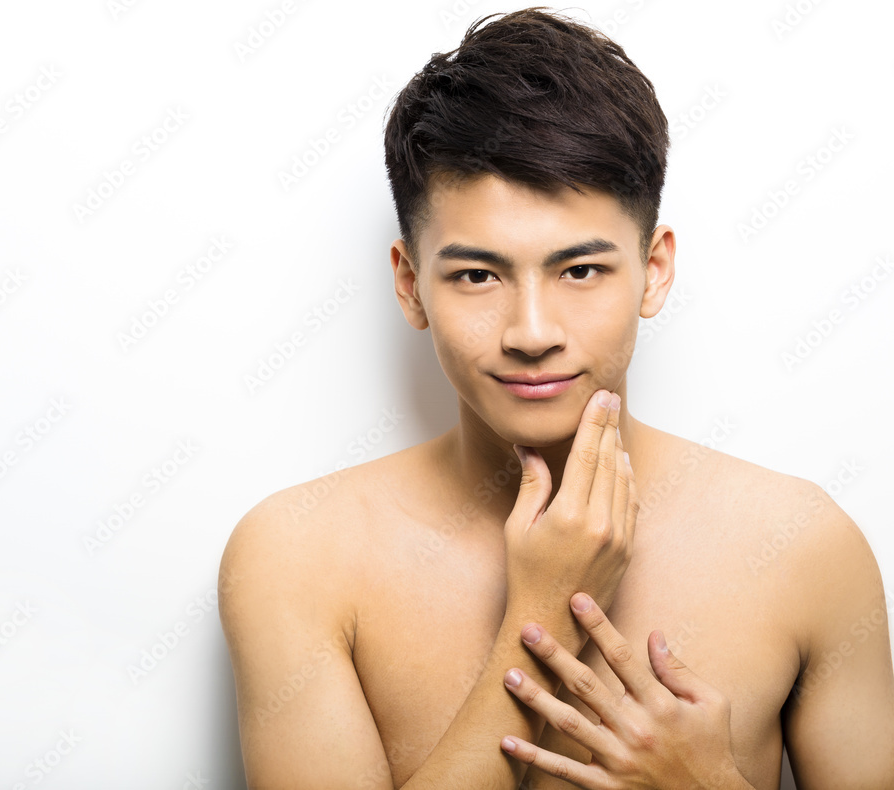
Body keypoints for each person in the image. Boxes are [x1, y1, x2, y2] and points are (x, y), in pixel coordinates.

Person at [218, 8, 894, 788]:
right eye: (477, 275)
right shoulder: (295, 557)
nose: (531, 332)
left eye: (580, 271)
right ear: (410, 285)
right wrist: (539, 610)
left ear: (656, 269)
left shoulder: (807, 547)